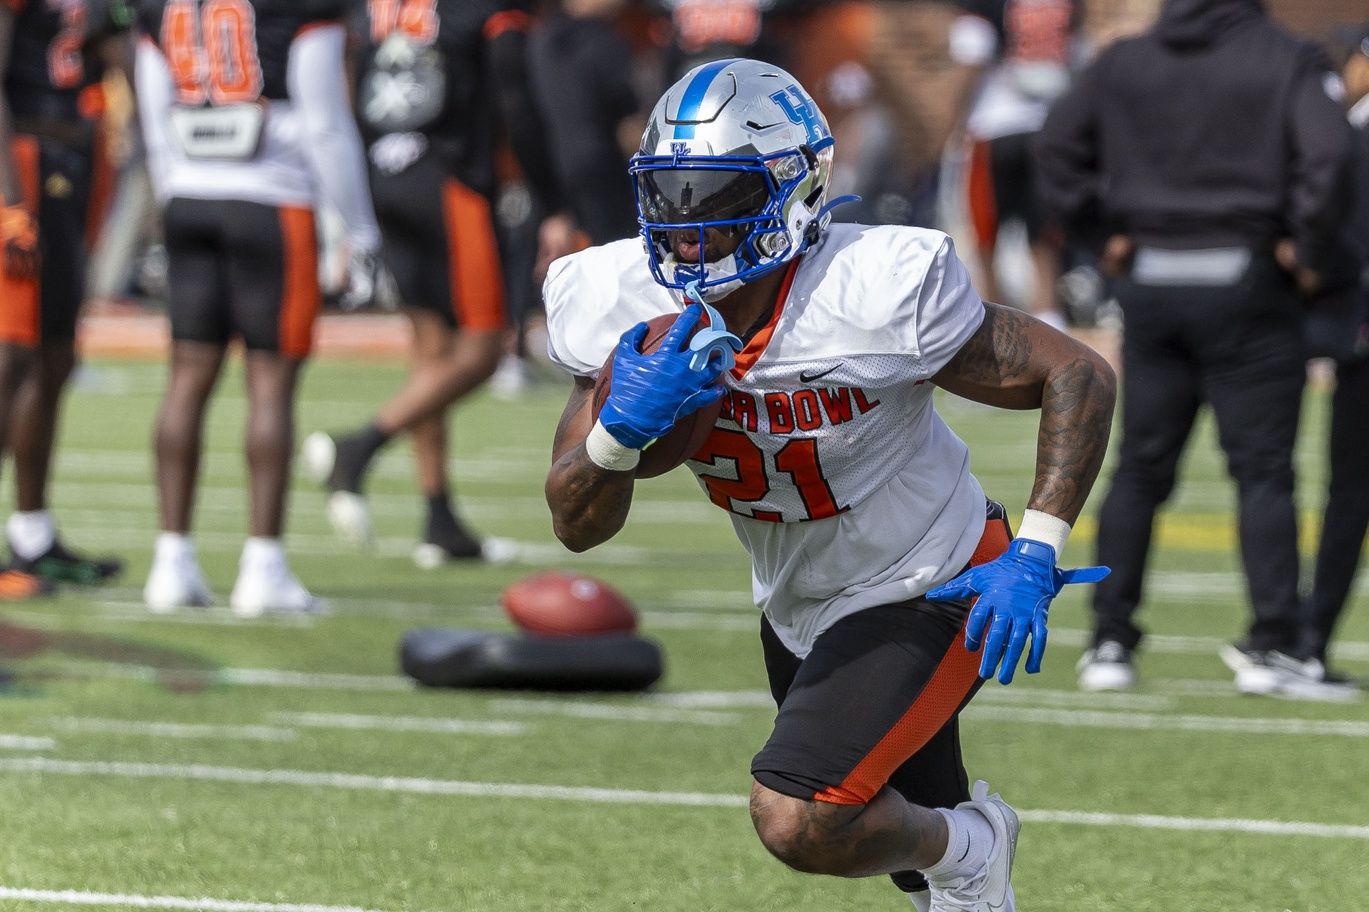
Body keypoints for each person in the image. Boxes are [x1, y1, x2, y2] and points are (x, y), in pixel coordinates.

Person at [543, 58, 1116, 910]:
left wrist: (1035, 550)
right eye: (669, 198)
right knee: (901, 841)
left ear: (794, 190)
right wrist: (618, 433)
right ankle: (961, 865)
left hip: (937, 574)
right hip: (797, 595)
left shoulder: (871, 290)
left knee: (800, 815)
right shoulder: (621, 301)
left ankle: (974, 848)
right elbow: (576, 522)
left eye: (715, 199)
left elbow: (1075, 374)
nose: (687, 231)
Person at [1037, 0, 1353, 695]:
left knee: (1140, 469)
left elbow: (1053, 145)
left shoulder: (1124, 61)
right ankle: (1271, 645)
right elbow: (1329, 154)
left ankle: (1109, 642)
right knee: (1263, 470)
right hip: (1250, 282)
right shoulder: (1285, 58)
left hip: (1150, 279)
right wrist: (1306, 247)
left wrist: (1100, 232)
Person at [303, 0, 572, 567]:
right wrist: (553, 202)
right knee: (482, 348)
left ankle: (438, 517)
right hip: (449, 181)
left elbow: (351, 89)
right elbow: (516, 100)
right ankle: (360, 447)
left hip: (386, 177)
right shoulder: (482, 11)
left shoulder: (374, 10)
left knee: (431, 352)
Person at [136, 0, 383, 615]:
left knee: (187, 378)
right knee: (270, 386)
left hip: (188, 195)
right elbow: (326, 121)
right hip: (273, 202)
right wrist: (359, 230)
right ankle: (262, 567)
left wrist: (175, 186)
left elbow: (150, 107)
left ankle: (172, 562)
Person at [0, 0, 132, 590]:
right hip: (20, 164)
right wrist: (8, 201)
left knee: (56, 357)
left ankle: (32, 536)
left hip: (72, 166)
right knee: (11, 359)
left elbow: (119, 47)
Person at [1299, 27, 1369, 686]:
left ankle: (1310, 640)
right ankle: (1309, 639)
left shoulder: (1345, 135)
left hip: (1358, 335)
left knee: (1347, 497)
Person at [947, 0, 1082, 329]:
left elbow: (971, 53)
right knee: (1043, 233)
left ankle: (992, 319)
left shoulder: (985, 10)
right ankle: (1050, 314)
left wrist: (950, 124)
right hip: (1046, 127)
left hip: (994, 126)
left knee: (985, 233)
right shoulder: (1064, 7)